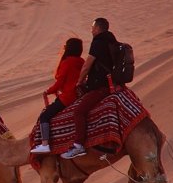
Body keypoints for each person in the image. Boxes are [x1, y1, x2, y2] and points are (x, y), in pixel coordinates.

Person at [61, 18, 118, 159]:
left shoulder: (98, 42)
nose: (91, 30)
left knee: (78, 112)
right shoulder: (112, 41)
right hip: (113, 84)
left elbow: (87, 65)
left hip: (101, 87)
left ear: (98, 28)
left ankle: (78, 146)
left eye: (92, 27)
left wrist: (79, 81)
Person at [30, 37, 85, 154]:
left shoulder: (67, 62)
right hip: (79, 96)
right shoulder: (82, 61)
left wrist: (48, 91)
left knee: (44, 116)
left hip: (68, 97)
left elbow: (60, 83)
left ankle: (45, 144)